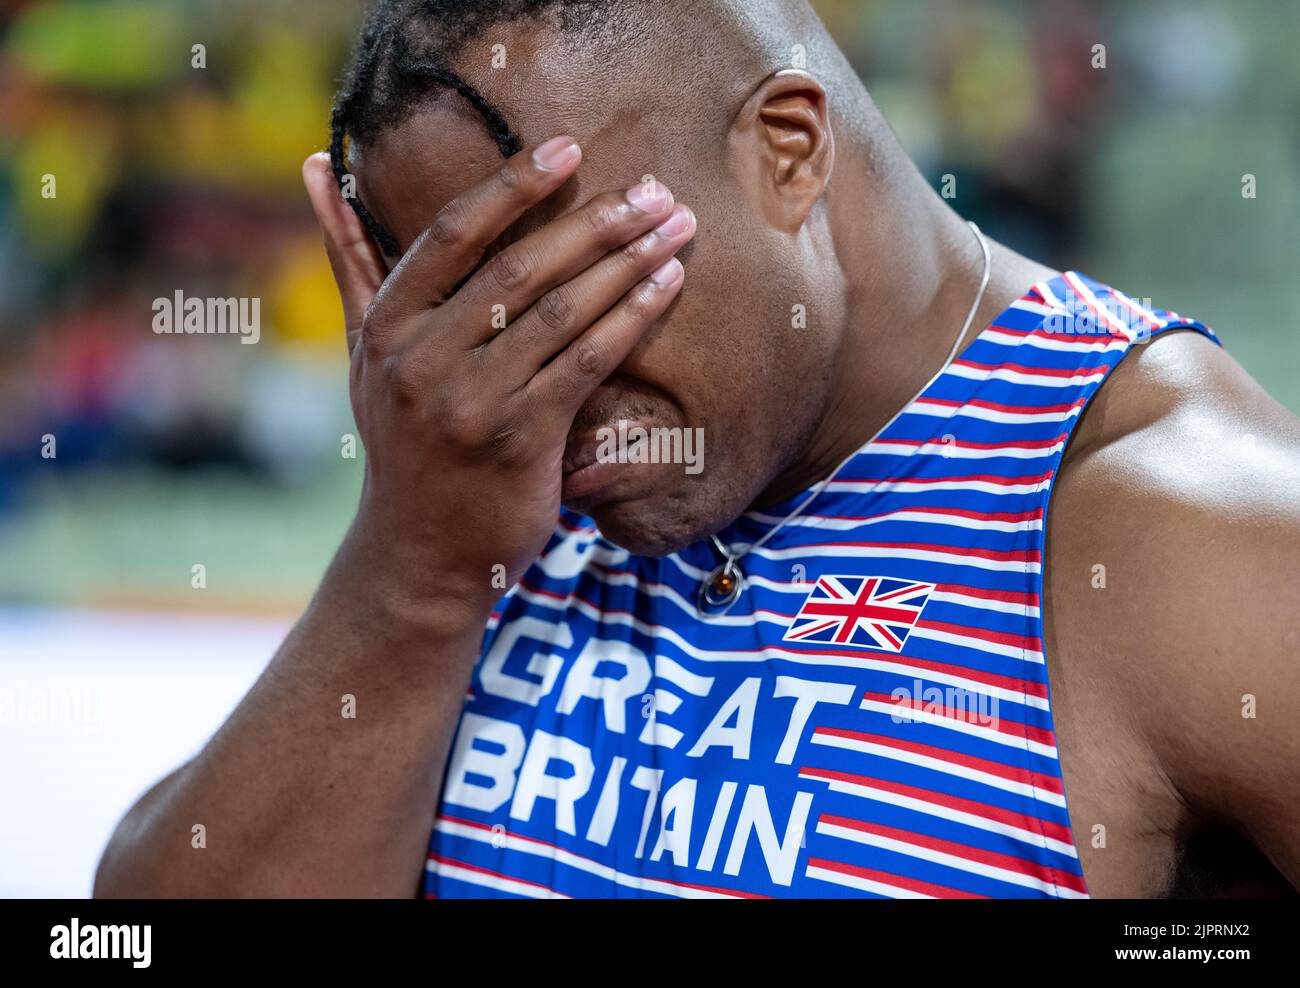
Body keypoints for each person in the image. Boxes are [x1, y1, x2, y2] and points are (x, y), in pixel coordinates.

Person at [95, 0, 1300, 899]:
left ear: (787, 149)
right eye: (468, 325)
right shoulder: (468, 491)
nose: (531, 395)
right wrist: (415, 567)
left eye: (575, 294)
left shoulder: (1183, 528)